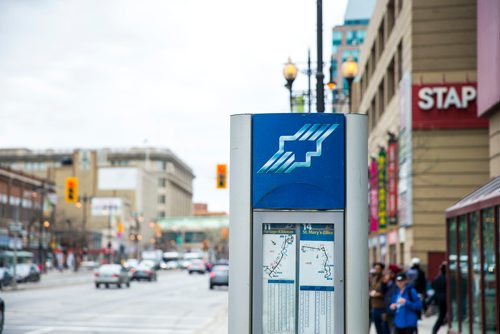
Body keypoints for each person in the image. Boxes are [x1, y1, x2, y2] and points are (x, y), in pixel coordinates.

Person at [370, 262, 388, 334]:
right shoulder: (374, 278)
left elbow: (385, 292)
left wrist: (376, 294)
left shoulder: (384, 279)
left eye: (378, 268)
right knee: (377, 328)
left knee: (384, 328)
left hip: (382, 307)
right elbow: (371, 289)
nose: (377, 270)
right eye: (375, 268)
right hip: (374, 307)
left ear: (381, 269)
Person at [384, 264, 402, 334]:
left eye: (389, 272)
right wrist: (383, 283)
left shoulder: (396, 284)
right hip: (389, 311)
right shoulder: (388, 283)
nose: (387, 274)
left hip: (394, 312)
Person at [431, 262, 447, 334]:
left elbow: (433, 287)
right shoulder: (447, 279)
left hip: (439, 298)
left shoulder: (437, 278)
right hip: (445, 298)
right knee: (442, 315)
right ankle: (435, 329)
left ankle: (435, 329)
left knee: (441, 315)